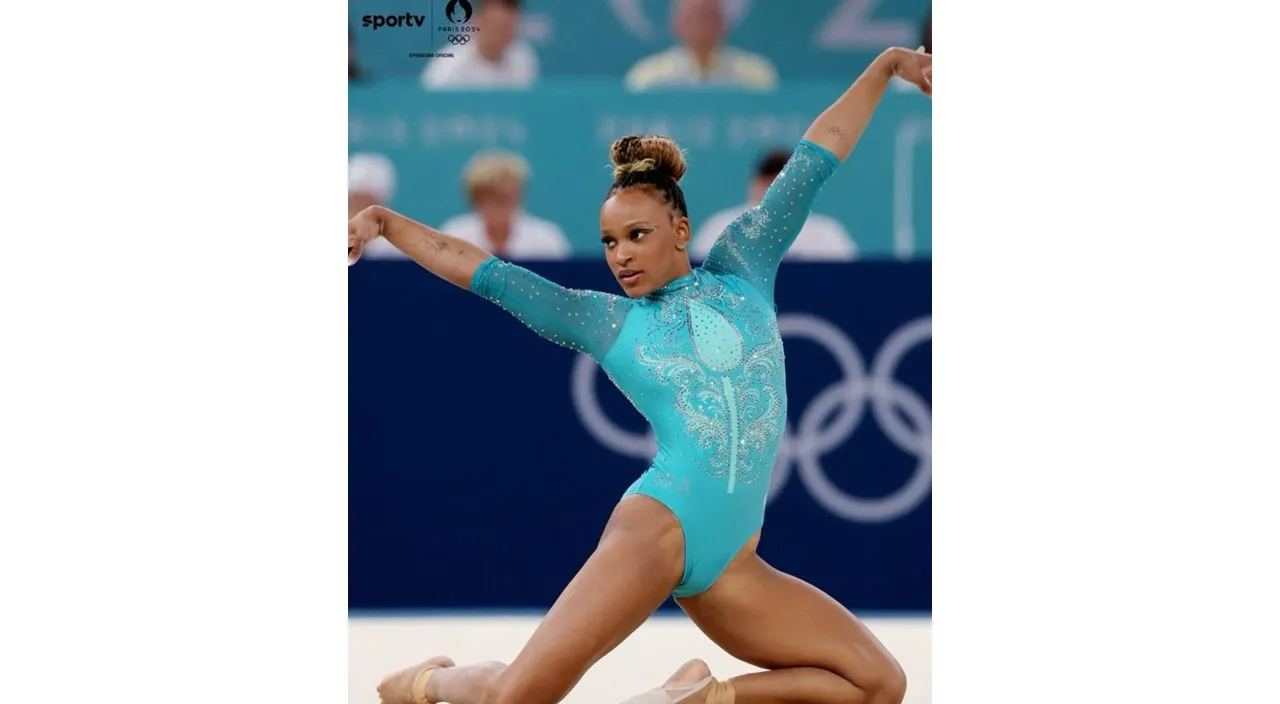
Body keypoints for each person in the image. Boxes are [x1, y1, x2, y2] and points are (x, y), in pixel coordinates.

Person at [351, 46, 932, 704]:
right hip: (657, 529)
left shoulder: (745, 264)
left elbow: (816, 155)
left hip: (734, 563)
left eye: (637, 235)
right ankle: (428, 682)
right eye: (609, 242)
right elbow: (488, 273)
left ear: (680, 229)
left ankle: (704, 696)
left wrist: (885, 67)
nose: (621, 256)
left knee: (879, 685)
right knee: (519, 699)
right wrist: (385, 223)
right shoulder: (605, 320)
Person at [363, 150, 570, 260]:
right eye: (495, 196)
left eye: (511, 195)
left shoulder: (547, 239)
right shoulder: (454, 234)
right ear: (477, 199)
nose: (504, 203)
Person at [692, 149, 857, 262]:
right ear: (753, 184)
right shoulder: (720, 229)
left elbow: (848, 280)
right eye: (768, 182)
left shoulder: (826, 233)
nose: (775, 192)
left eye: (784, 183)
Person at [624, 0, 777, 92]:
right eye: (693, 17)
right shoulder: (648, 77)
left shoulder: (756, 75)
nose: (701, 25)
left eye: (709, 17)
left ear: (724, 23)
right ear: (675, 24)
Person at [420, 0, 538, 90]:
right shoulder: (448, 66)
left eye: (506, 27)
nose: (499, 34)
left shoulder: (524, 59)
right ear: (477, 21)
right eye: (494, 25)